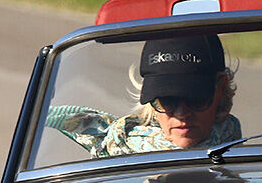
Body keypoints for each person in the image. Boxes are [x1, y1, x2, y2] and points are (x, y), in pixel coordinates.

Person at [46, 34, 242, 156]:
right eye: (167, 100)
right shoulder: (118, 148)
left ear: (221, 89)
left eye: (196, 98)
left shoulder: (239, 154)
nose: (182, 114)